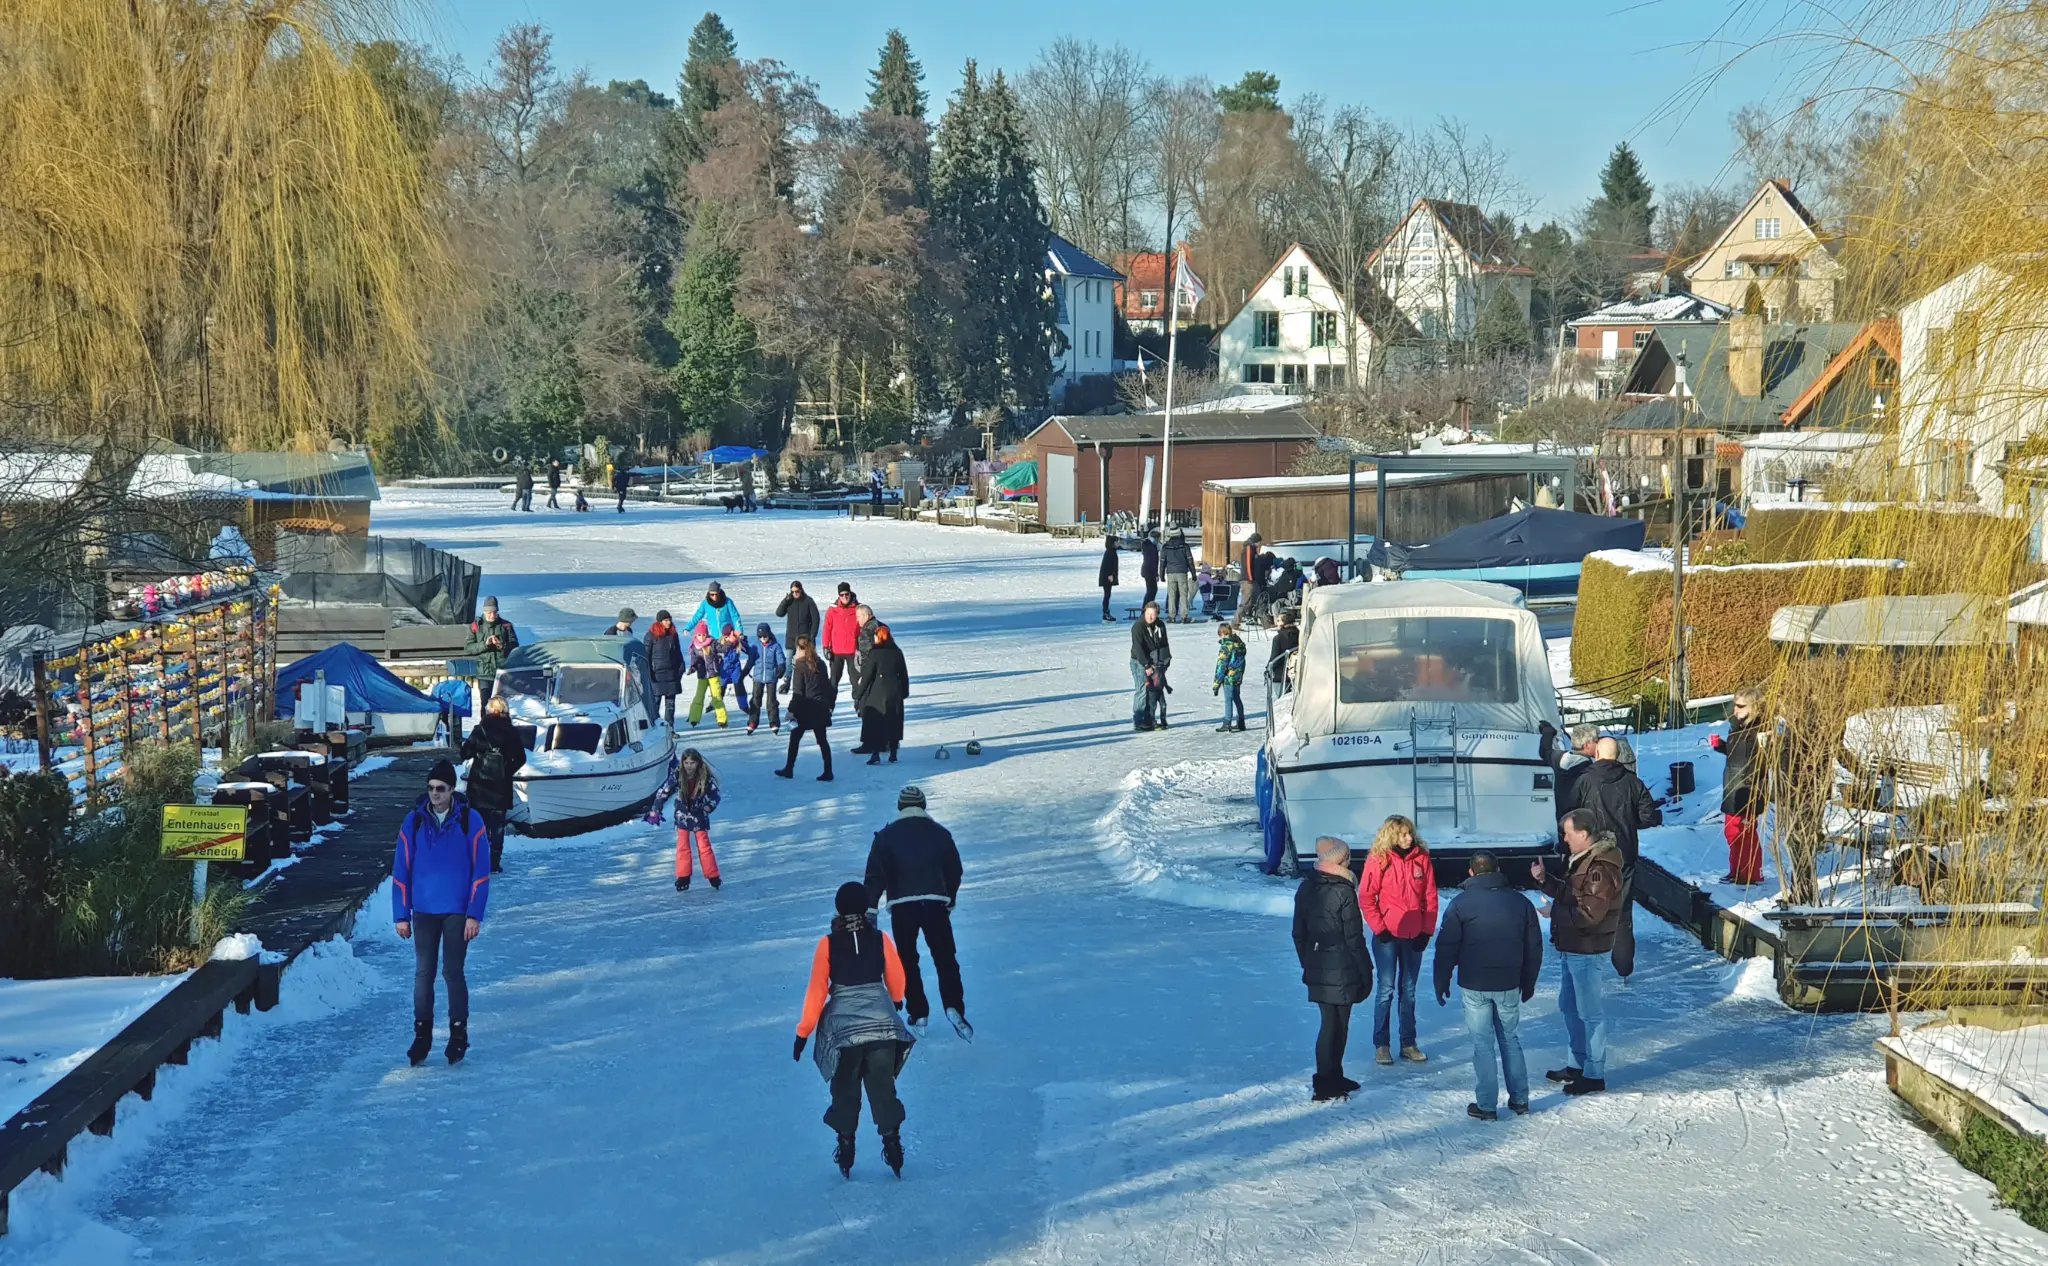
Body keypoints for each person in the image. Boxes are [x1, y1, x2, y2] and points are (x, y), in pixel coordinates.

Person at [793, 882, 914, 1179]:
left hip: (845, 1033)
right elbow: (897, 977)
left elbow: (817, 991)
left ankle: (846, 1145)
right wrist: (896, 999)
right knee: (882, 1087)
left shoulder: (828, 943)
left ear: (838, 908)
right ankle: (892, 1143)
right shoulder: (880, 938)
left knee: (845, 1091)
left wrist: (803, 1032)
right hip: (882, 1027)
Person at [392, 758, 490, 1066]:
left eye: (441, 789)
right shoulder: (414, 821)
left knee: (452, 972)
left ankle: (458, 1033)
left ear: (452, 790)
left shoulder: (470, 821)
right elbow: (401, 868)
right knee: (423, 974)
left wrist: (474, 913)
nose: (435, 794)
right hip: (423, 911)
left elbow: (481, 870)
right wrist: (400, 914)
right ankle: (422, 1035)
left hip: (457, 912)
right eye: (431, 788)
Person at [1433, 851, 1543, 1121]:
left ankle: (1486, 1105)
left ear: (1471, 873)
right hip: (1508, 981)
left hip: (1474, 983)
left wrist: (1441, 979)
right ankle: (1520, 1100)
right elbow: (1534, 947)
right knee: (1510, 1039)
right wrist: (1528, 981)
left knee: (1482, 1044)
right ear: (1498, 869)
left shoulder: (1460, 904)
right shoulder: (1520, 903)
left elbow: (1447, 946)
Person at [1531, 810, 1626, 1096]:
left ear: (1584, 834)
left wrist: (1554, 912)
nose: (1564, 839)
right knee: (1569, 1007)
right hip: (1573, 947)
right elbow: (1574, 896)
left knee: (1589, 1013)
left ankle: (1594, 1073)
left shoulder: (1601, 867)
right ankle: (1578, 1064)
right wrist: (1544, 880)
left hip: (1587, 949)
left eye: (1568, 833)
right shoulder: (1584, 861)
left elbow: (1589, 914)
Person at [864, 785, 967, 1039]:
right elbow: (955, 870)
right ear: (923, 805)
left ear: (900, 807)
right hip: (935, 903)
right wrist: (950, 898)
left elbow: (874, 875)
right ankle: (954, 1005)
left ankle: (918, 1012)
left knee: (908, 960)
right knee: (945, 958)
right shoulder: (941, 834)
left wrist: (870, 909)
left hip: (902, 905)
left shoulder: (886, 836)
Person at [1567, 735, 1661, 979]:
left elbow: (1569, 813)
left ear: (1596, 754)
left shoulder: (1584, 781)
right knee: (1621, 910)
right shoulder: (1632, 782)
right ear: (1618, 755)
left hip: (1590, 852)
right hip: (1623, 854)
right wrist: (1629, 823)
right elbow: (1649, 816)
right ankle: (1623, 966)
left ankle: (1588, 963)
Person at [1293, 836, 1374, 1102]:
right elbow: (1354, 939)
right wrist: (1366, 970)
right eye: (1347, 856)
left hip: (1319, 965)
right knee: (1335, 1025)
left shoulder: (1306, 888)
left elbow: (1298, 934)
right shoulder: (1343, 890)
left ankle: (1333, 1075)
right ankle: (1325, 1082)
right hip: (1342, 967)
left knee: (1333, 1023)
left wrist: (1309, 961)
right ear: (1340, 859)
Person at [1357, 814, 1438, 1066]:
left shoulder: (1421, 858)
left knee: (1409, 990)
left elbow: (1430, 897)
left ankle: (1408, 1043)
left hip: (1414, 935)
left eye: (1410, 833)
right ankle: (1381, 1044)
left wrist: (1426, 931)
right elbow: (1366, 897)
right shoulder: (1379, 859)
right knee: (1386, 989)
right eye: (1403, 834)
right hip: (1387, 936)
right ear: (1391, 835)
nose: (1408, 837)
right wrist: (1380, 929)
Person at [458, 696, 525, 874]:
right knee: (497, 827)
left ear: (491, 711)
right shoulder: (511, 731)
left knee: (476, 825)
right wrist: (506, 770)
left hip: (479, 784)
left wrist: (477, 751)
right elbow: (521, 758)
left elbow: (464, 753)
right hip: (500, 787)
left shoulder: (480, 729)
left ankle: (475, 860)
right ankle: (494, 863)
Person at [1708, 687, 1765, 886]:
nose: (1735, 710)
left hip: (1748, 787)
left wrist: (1755, 791)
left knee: (1744, 833)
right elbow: (1737, 755)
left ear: (1754, 707)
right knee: (1733, 831)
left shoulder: (1760, 730)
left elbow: (1763, 761)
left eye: (1741, 706)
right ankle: (1736, 871)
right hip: (1732, 784)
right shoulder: (1737, 727)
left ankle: (1748, 874)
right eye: (1735, 705)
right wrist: (1721, 746)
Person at [777, 635, 835, 781]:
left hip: (806, 708)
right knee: (822, 740)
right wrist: (829, 705)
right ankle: (828, 771)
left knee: (795, 739)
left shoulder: (800, 666)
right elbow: (827, 687)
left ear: (800, 648)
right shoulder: (820, 663)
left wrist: (791, 710)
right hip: (820, 707)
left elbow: (798, 692)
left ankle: (789, 768)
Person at [854, 623, 909, 765]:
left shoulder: (875, 653)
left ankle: (875, 753)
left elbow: (867, 676)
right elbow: (903, 674)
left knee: (876, 722)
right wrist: (904, 692)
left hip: (878, 691)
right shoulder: (897, 652)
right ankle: (893, 753)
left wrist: (858, 694)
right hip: (895, 691)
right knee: (894, 721)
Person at [669, 747, 722, 892]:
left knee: (704, 845)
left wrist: (708, 807)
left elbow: (715, 795)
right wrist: (656, 808)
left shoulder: (705, 777)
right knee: (682, 846)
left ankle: (713, 875)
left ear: (698, 763)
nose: (689, 766)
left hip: (699, 816)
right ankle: (683, 876)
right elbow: (664, 791)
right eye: (686, 763)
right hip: (683, 816)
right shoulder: (678, 775)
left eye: (692, 763)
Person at [1538, 721, 1601, 818]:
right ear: (1587, 745)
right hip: (1583, 825)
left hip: (1563, 822)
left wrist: (1548, 732)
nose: (1599, 744)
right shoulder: (1588, 769)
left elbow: (1544, 751)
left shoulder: (1558, 758)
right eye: (1596, 741)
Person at [464, 597, 518, 702]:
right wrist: (485, 644)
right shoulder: (476, 626)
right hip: (484, 673)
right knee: (486, 705)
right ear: (484, 612)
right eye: (489, 613)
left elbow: (515, 646)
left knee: (501, 705)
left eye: (494, 612)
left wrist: (502, 645)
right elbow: (469, 648)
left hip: (502, 672)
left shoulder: (506, 625)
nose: (492, 615)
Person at [1129, 602, 1171, 731]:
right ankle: (1139, 720)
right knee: (1142, 691)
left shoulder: (1160, 625)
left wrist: (1166, 659)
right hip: (1139, 662)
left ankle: (1150, 719)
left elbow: (1164, 643)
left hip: (1155, 662)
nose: (1150, 617)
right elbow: (1138, 648)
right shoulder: (1138, 627)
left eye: (1153, 614)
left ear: (1157, 614)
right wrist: (1146, 665)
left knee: (1152, 692)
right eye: (1148, 614)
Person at [685, 623, 730, 727]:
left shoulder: (712, 643)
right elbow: (694, 661)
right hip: (702, 676)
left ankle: (722, 720)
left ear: (707, 634)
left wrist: (728, 643)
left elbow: (723, 649)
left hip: (713, 675)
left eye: (704, 635)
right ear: (696, 635)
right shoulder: (694, 647)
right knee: (699, 697)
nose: (702, 637)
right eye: (699, 635)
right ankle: (694, 718)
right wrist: (692, 668)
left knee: (716, 697)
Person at [749, 623, 789, 735]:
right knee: (755, 699)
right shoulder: (755, 646)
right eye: (760, 637)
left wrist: (781, 667)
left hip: (771, 677)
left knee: (771, 701)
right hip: (758, 677)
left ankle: (774, 722)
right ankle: (752, 721)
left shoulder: (775, 646)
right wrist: (745, 671)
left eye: (765, 636)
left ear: (769, 635)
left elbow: (781, 658)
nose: (763, 639)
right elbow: (750, 661)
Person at [645, 610, 684, 726]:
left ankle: (670, 729)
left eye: (669, 619)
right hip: (656, 675)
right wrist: (648, 672)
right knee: (655, 703)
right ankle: (653, 728)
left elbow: (678, 652)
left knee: (670, 705)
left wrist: (681, 667)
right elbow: (646, 655)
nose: (669, 622)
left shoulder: (673, 634)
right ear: (660, 622)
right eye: (666, 620)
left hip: (671, 674)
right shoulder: (651, 635)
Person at [822, 584, 861, 691]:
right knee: (833, 680)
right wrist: (826, 646)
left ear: (850, 593)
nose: (844, 597)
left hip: (853, 651)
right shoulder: (832, 609)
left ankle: (859, 704)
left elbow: (866, 626)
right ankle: (829, 705)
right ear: (838, 596)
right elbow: (827, 628)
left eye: (846, 594)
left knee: (856, 680)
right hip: (836, 651)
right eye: (841, 595)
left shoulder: (858, 608)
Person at [1213, 622, 1247, 733]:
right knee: (1237, 698)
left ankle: (1227, 722)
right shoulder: (1239, 643)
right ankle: (1241, 722)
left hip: (1229, 677)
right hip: (1238, 675)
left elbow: (1222, 665)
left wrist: (1217, 682)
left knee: (1228, 699)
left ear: (1222, 633)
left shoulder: (1226, 646)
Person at [1161, 530, 1196, 622]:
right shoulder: (1184, 546)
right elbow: (1190, 561)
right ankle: (1184, 616)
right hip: (1182, 572)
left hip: (1170, 573)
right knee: (1183, 595)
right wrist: (1193, 574)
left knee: (1171, 595)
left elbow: (1162, 561)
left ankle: (1171, 616)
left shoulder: (1165, 547)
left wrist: (1161, 574)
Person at [776, 581, 821, 652]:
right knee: (789, 662)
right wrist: (785, 601)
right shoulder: (789, 601)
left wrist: (812, 635)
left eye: (797, 591)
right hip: (791, 639)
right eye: (792, 592)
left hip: (805, 640)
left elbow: (816, 619)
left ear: (801, 590)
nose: (795, 593)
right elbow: (779, 613)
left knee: (806, 662)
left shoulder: (808, 601)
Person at [1267, 611, 1299, 687]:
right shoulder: (1300, 635)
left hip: (1281, 675)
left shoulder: (1278, 638)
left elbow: (1275, 658)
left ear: (1284, 623)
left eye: (1278, 621)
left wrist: (1268, 669)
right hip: (1297, 674)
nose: (1276, 623)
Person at [1238, 532, 1264, 619]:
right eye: (1260, 542)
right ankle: (1235, 622)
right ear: (1256, 541)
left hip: (1252, 579)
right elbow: (1247, 564)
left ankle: (1266, 623)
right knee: (1245, 602)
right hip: (1248, 579)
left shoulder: (1252, 549)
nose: (1260, 544)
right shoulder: (1249, 549)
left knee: (1259, 599)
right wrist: (1250, 578)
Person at [1098, 535, 1120, 623]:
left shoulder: (1112, 551)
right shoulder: (1110, 552)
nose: (1118, 543)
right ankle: (1105, 613)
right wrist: (1110, 575)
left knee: (1108, 594)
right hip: (1107, 577)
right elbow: (1107, 565)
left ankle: (1106, 612)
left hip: (1108, 576)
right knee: (1107, 595)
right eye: (1117, 542)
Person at [1139, 531, 1160, 608]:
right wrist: (1156, 574)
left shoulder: (1147, 544)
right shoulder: (1151, 546)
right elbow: (1152, 561)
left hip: (1147, 570)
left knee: (1152, 590)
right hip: (1149, 571)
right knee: (1151, 591)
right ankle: (1146, 608)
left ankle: (1148, 607)